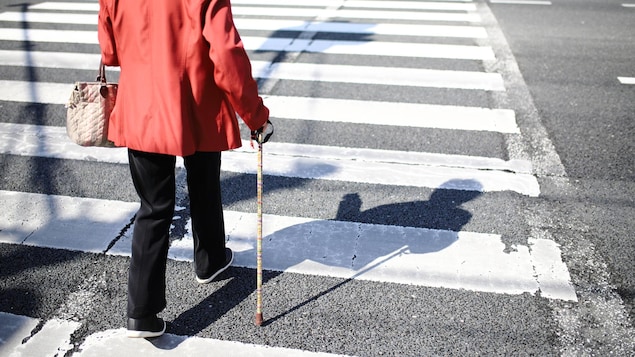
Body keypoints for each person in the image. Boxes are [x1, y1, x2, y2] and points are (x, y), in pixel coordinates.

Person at [97, 0, 270, 338]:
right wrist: (256, 116)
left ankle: (142, 313)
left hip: (142, 101)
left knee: (154, 206)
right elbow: (226, 53)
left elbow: (110, 49)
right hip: (195, 98)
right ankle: (210, 259)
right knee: (204, 181)